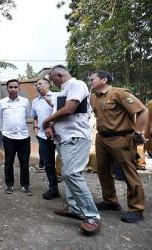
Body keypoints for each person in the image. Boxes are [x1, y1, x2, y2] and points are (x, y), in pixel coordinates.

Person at [42, 65, 101, 235]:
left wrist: (46, 121)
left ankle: (92, 217)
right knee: (68, 174)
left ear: (60, 75)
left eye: (53, 80)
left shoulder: (77, 85)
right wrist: (51, 127)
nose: (52, 83)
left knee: (72, 174)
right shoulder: (62, 92)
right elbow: (59, 114)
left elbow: (69, 110)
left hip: (75, 137)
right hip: (63, 138)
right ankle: (74, 208)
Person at [89, 70, 147, 223]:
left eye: (93, 79)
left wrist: (138, 132)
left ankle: (136, 208)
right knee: (103, 171)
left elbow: (142, 111)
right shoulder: (94, 97)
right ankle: (110, 201)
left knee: (129, 173)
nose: (90, 81)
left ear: (104, 79)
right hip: (101, 138)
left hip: (121, 138)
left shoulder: (119, 93)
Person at [0, 79, 32, 196]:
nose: (13, 89)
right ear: (7, 89)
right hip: (9, 137)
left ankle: (25, 186)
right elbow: (0, 119)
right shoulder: (1, 102)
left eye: (15, 87)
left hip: (23, 136)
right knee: (8, 162)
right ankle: (9, 185)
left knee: (24, 162)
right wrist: (3, 131)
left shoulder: (25, 101)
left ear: (19, 88)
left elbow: (27, 115)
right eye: (10, 87)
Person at [31, 77, 59, 200]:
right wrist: (36, 129)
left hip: (59, 135)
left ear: (48, 84)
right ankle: (53, 189)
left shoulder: (58, 96)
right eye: (36, 84)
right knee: (48, 163)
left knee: (65, 162)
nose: (37, 86)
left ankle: (72, 191)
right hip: (43, 135)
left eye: (40, 84)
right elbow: (35, 116)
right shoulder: (35, 101)